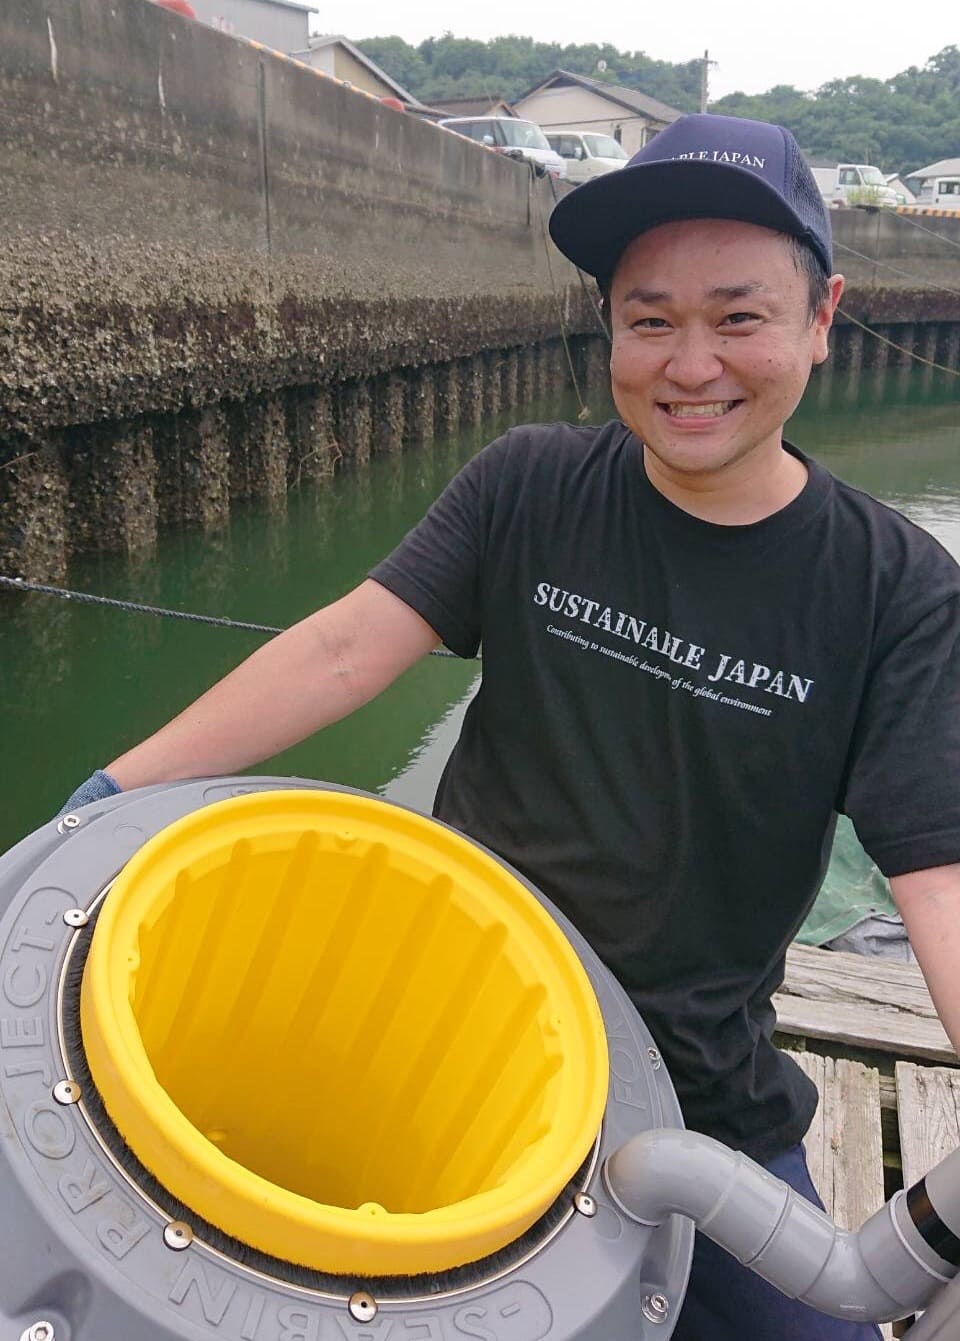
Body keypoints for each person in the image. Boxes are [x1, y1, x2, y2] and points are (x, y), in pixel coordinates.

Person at [63, 114, 960, 1340]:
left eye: (739, 316)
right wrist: (110, 795)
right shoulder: (528, 484)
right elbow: (340, 650)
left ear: (821, 316)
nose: (691, 363)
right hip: (439, 1019)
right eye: (651, 320)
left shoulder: (896, 589)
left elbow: (936, 873)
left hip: (690, 1093)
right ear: (611, 332)